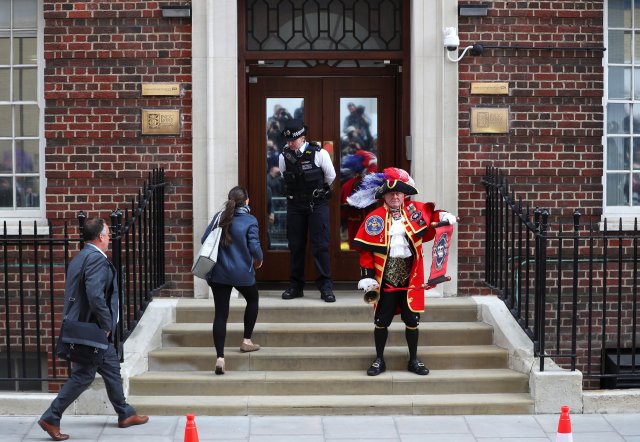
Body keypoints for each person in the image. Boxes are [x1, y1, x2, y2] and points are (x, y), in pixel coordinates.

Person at [38, 218, 148, 441]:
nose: (109, 238)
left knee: (110, 365)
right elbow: (95, 295)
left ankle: (124, 413)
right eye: (107, 234)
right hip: (92, 328)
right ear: (100, 237)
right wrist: (106, 324)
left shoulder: (80, 257)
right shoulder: (96, 259)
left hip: (84, 326)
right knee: (83, 375)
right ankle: (51, 416)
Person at [347, 168, 457, 377]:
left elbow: (431, 214)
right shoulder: (375, 218)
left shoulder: (415, 210)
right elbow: (366, 252)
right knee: (381, 320)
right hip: (385, 279)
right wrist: (367, 276)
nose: (395, 197)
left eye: (399, 193)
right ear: (384, 196)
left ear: (405, 195)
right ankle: (379, 359)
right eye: (391, 194)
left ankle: (414, 360)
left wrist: (443, 215)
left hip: (411, 277)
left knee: (412, 320)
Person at [201, 186, 263, 375]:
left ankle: (220, 358)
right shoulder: (250, 220)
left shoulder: (219, 218)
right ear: (246, 202)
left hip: (218, 273)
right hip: (242, 273)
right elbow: (254, 246)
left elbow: (205, 239)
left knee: (221, 314)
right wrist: (259, 259)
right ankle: (246, 341)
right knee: (252, 300)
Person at [278, 119, 337, 302]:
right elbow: (283, 176)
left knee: (320, 246)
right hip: (295, 205)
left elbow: (330, 176)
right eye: (287, 141)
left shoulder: (319, 154)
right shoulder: (283, 156)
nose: (289, 144)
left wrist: (316, 193)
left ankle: (325, 287)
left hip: (316, 205)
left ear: (302, 138)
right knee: (295, 246)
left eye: (293, 140)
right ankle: (295, 286)